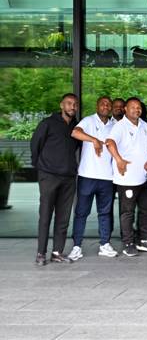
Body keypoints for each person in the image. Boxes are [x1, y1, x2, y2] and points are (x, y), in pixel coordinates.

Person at [30, 93, 79, 265]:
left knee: (63, 217)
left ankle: (57, 252)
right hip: (49, 176)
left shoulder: (75, 126)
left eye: (74, 104)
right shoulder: (48, 123)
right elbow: (35, 145)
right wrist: (41, 167)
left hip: (68, 178)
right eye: (69, 103)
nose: (72, 107)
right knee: (45, 215)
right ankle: (41, 253)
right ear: (61, 105)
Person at [67, 96, 117, 261]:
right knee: (81, 212)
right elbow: (75, 132)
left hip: (107, 177)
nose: (105, 106)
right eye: (102, 103)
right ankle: (76, 246)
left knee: (105, 213)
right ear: (97, 105)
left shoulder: (115, 126)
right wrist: (94, 139)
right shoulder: (88, 121)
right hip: (87, 176)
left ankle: (104, 244)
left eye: (108, 104)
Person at [106, 97, 147, 257]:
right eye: (133, 107)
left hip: (144, 176)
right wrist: (119, 160)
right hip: (127, 177)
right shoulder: (120, 126)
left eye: (138, 107)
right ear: (126, 109)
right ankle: (128, 243)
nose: (136, 110)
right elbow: (109, 142)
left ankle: (144, 240)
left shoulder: (145, 125)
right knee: (127, 212)